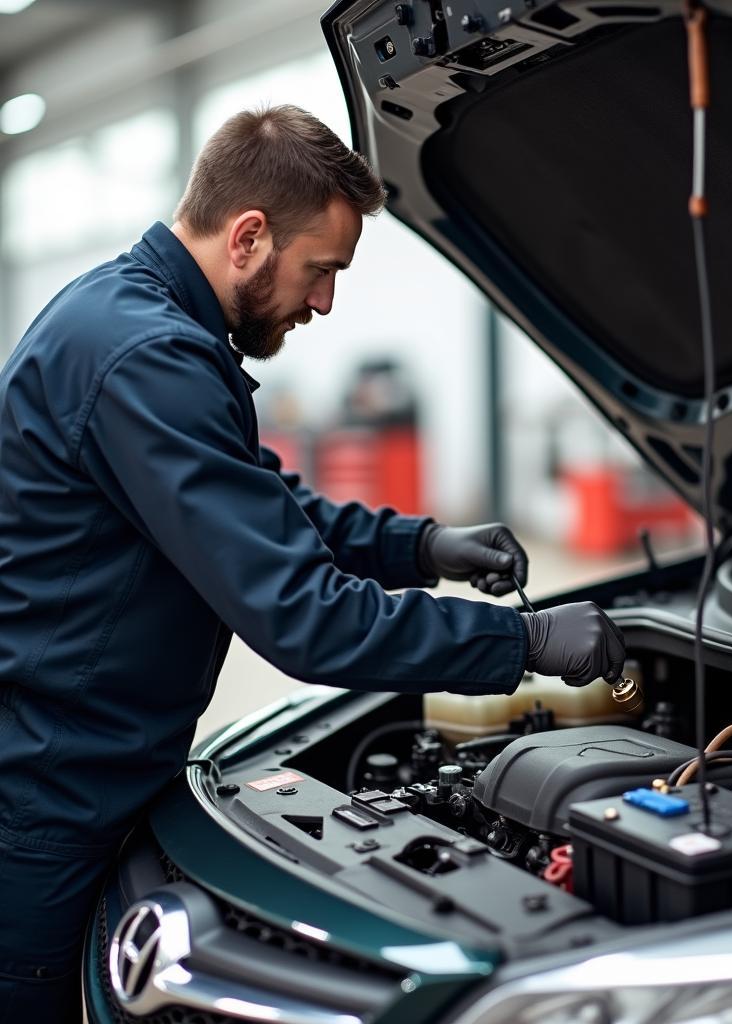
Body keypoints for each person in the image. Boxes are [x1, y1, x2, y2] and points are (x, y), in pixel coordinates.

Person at [0, 104, 625, 1018]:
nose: (325, 302)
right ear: (249, 235)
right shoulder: (147, 357)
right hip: (47, 802)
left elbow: (260, 506)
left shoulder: (129, 316)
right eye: (321, 269)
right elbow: (305, 618)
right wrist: (522, 639)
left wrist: (420, 546)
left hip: (81, 771)